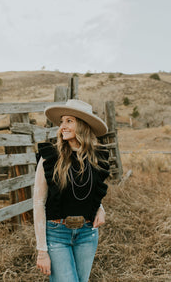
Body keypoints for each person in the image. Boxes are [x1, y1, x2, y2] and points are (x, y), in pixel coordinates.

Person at [33, 99, 110, 282]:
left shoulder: (97, 157)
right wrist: (42, 250)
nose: (62, 126)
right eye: (62, 121)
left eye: (69, 121)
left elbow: (92, 190)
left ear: (82, 125)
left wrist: (100, 208)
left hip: (87, 233)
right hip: (57, 233)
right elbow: (38, 202)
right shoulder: (50, 157)